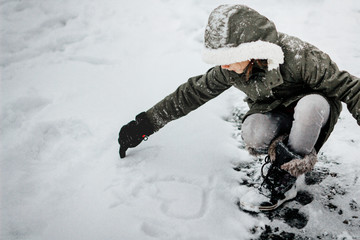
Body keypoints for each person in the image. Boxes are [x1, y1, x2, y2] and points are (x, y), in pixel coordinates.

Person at [118, 5, 360, 212]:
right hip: (276, 112)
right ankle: (286, 154)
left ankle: (285, 178)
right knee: (254, 132)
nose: (224, 64)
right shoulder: (231, 69)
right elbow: (192, 93)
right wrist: (145, 124)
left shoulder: (300, 56)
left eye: (229, 56)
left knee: (310, 106)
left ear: (250, 50)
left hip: (314, 111)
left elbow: (351, 88)